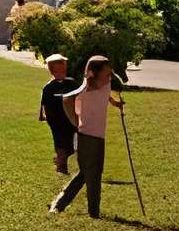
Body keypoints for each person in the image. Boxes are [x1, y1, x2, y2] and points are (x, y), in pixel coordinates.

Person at [50, 55, 124, 218]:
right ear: (93, 75)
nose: (109, 77)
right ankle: (93, 212)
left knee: (86, 173)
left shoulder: (105, 83)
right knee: (93, 173)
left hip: (98, 136)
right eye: (106, 74)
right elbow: (67, 100)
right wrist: (75, 120)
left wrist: (114, 102)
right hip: (88, 136)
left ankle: (60, 204)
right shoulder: (87, 87)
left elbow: (106, 94)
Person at [39, 53, 77, 174]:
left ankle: (62, 161)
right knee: (61, 144)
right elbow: (44, 104)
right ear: (52, 71)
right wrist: (45, 117)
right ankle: (61, 165)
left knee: (68, 144)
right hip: (57, 121)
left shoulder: (72, 83)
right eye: (59, 69)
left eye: (63, 69)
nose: (62, 71)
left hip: (70, 119)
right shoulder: (49, 87)